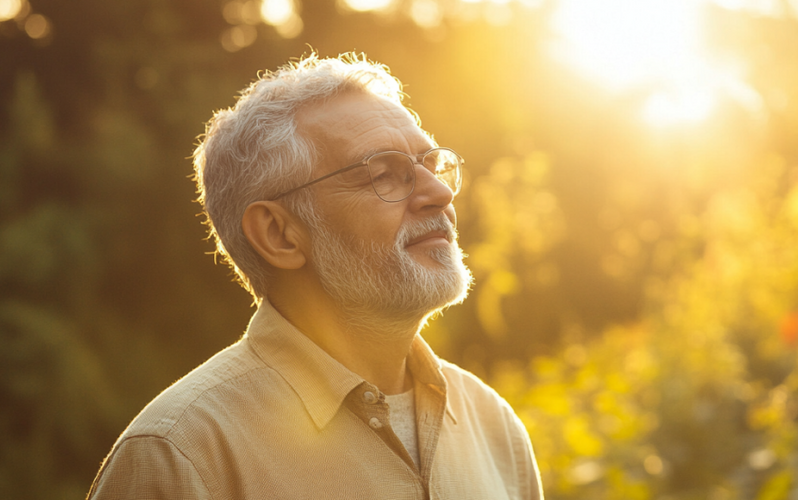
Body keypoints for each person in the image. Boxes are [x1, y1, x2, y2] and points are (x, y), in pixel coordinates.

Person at [87, 53, 543, 499]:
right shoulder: (181, 456)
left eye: (431, 165)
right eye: (384, 173)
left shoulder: (494, 425)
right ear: (279, 234)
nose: (440, 193)